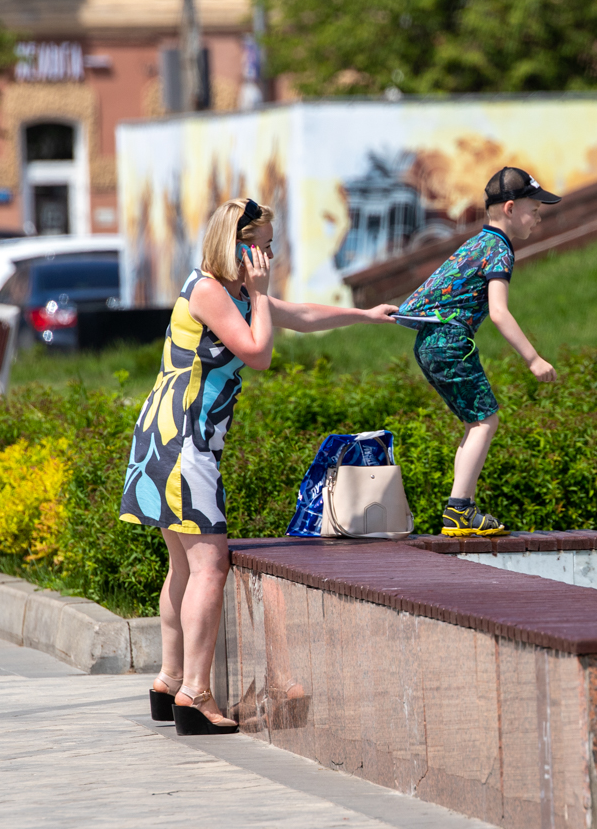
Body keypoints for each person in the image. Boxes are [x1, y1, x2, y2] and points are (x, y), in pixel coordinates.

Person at [120, 198, 398, 735]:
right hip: (184, 444)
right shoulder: (209, 291)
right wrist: (264, 294)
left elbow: (301, 316)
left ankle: (170, 679)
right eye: (265, 246)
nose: (270, 256)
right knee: (208, 568)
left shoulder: (230, 292)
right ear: (240, 246)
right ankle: (195, 695)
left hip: (166, 437)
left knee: (183, 565)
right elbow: (259, 352)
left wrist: (365, 315)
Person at [398, 166, 559, 537]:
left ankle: (460, 507)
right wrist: (533, 359)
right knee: (487, 420)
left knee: (477, 423)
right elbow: (499, 312)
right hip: (451, 342)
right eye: (533, 210)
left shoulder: (478, 243)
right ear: (509, 208)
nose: (538, 217)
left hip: (430, 342)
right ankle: (459, 510)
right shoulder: (499, 250)